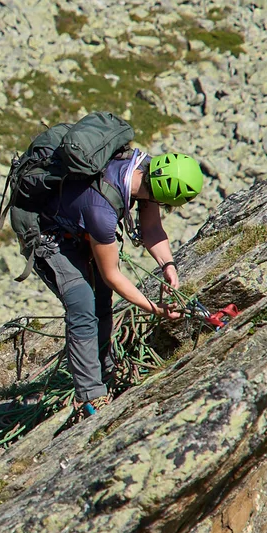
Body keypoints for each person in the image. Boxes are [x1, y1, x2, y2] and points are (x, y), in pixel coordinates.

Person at [37, 149, 204, 418]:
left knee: (101, 300)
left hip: (79, 227)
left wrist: (168, 266)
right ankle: (89, 397)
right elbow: (113, 276)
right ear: (159, 193)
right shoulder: (102, 210)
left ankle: (106, 373)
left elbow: (150, 229)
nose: (161, 208)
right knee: (82, 304)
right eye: (163, 204)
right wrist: (153, 308)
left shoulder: (148, 170)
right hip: (49, 235)